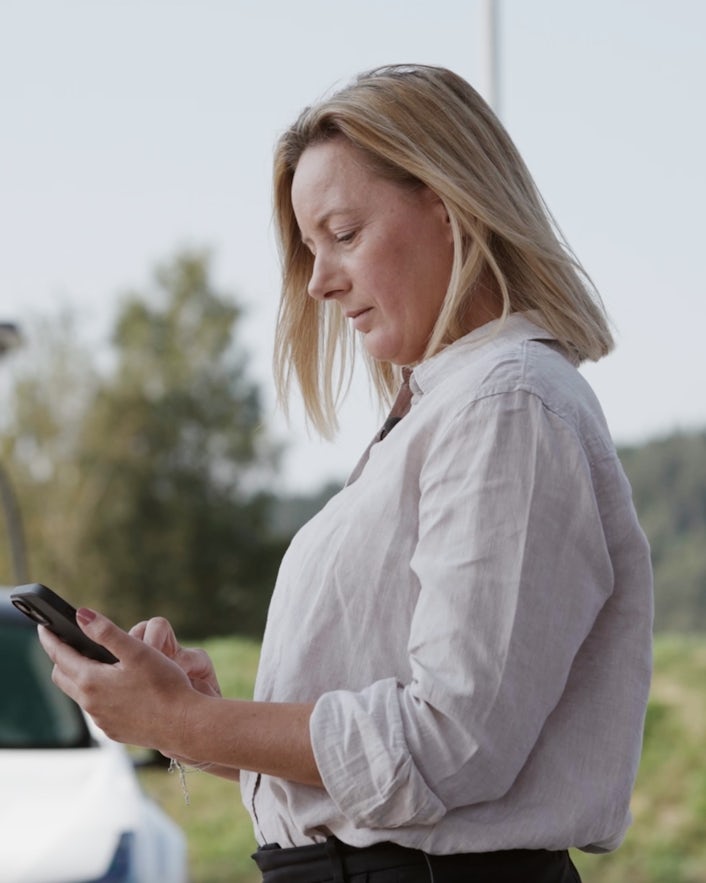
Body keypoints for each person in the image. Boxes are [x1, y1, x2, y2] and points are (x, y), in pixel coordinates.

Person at [39, 64, 653, 883]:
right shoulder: (448, 409)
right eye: (310, 247)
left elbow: (449, 747)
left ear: (448, 202)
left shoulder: (506, 407)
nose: (321, 280)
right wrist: (198, 717)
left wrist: (189, 719)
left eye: (343, 233)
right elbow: (389, 784)